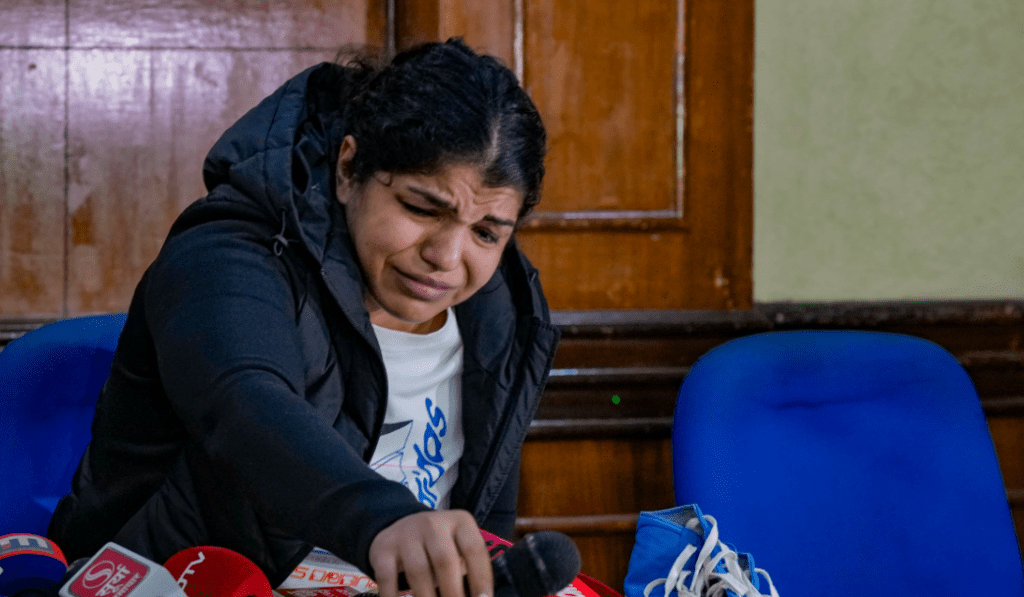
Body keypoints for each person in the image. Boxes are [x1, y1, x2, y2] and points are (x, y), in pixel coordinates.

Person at [47, 38, 559, 597]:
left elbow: (482, 526)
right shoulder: (225, 255)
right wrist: (384, 519)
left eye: (486, 233)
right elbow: (244, 404)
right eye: (420, 208)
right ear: (347, 168)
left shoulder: (498, 314)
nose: (447, 257)